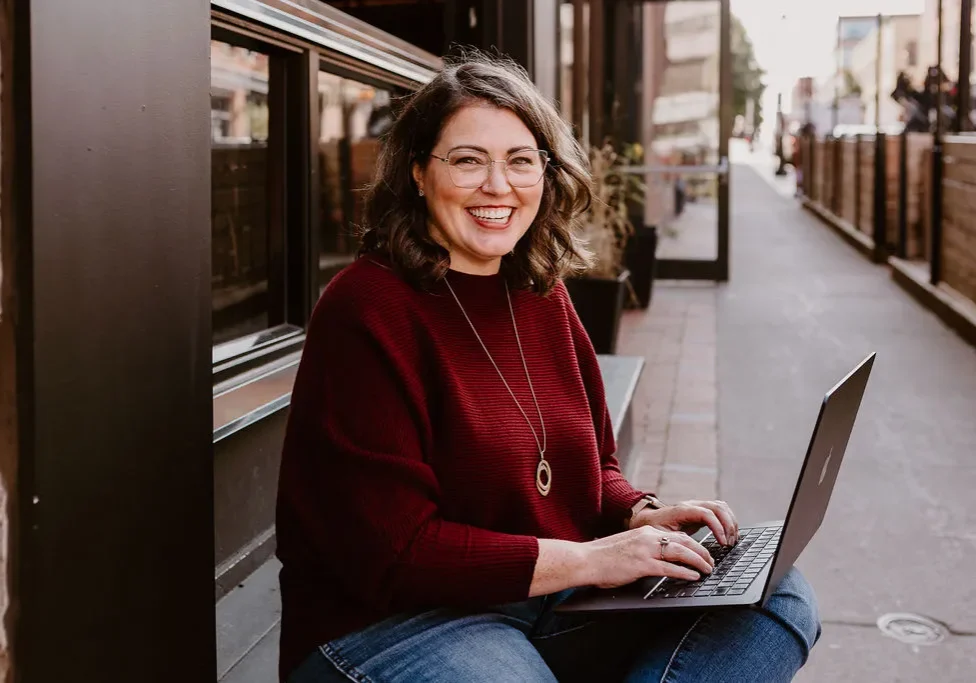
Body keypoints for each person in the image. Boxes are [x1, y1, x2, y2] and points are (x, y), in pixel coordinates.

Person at [275, 54, 821, 683]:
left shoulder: (539, 293)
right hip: (395, 624)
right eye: (468, 160)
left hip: (540, 601)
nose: (498, 185)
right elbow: (396, 553)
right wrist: (592, 561)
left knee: (776, 595)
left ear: (546, 174)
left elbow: (594, 466)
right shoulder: (365, 308)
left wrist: (637, 514)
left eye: (521, 160)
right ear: (419, 173)